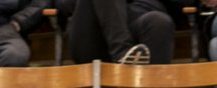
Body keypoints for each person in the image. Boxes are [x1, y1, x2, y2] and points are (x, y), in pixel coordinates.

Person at [56, 0, 186, 65]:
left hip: (140, 19)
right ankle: (121, 53)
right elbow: (63, 5)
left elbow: (184, 2)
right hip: (92, 32)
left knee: (159, 21)